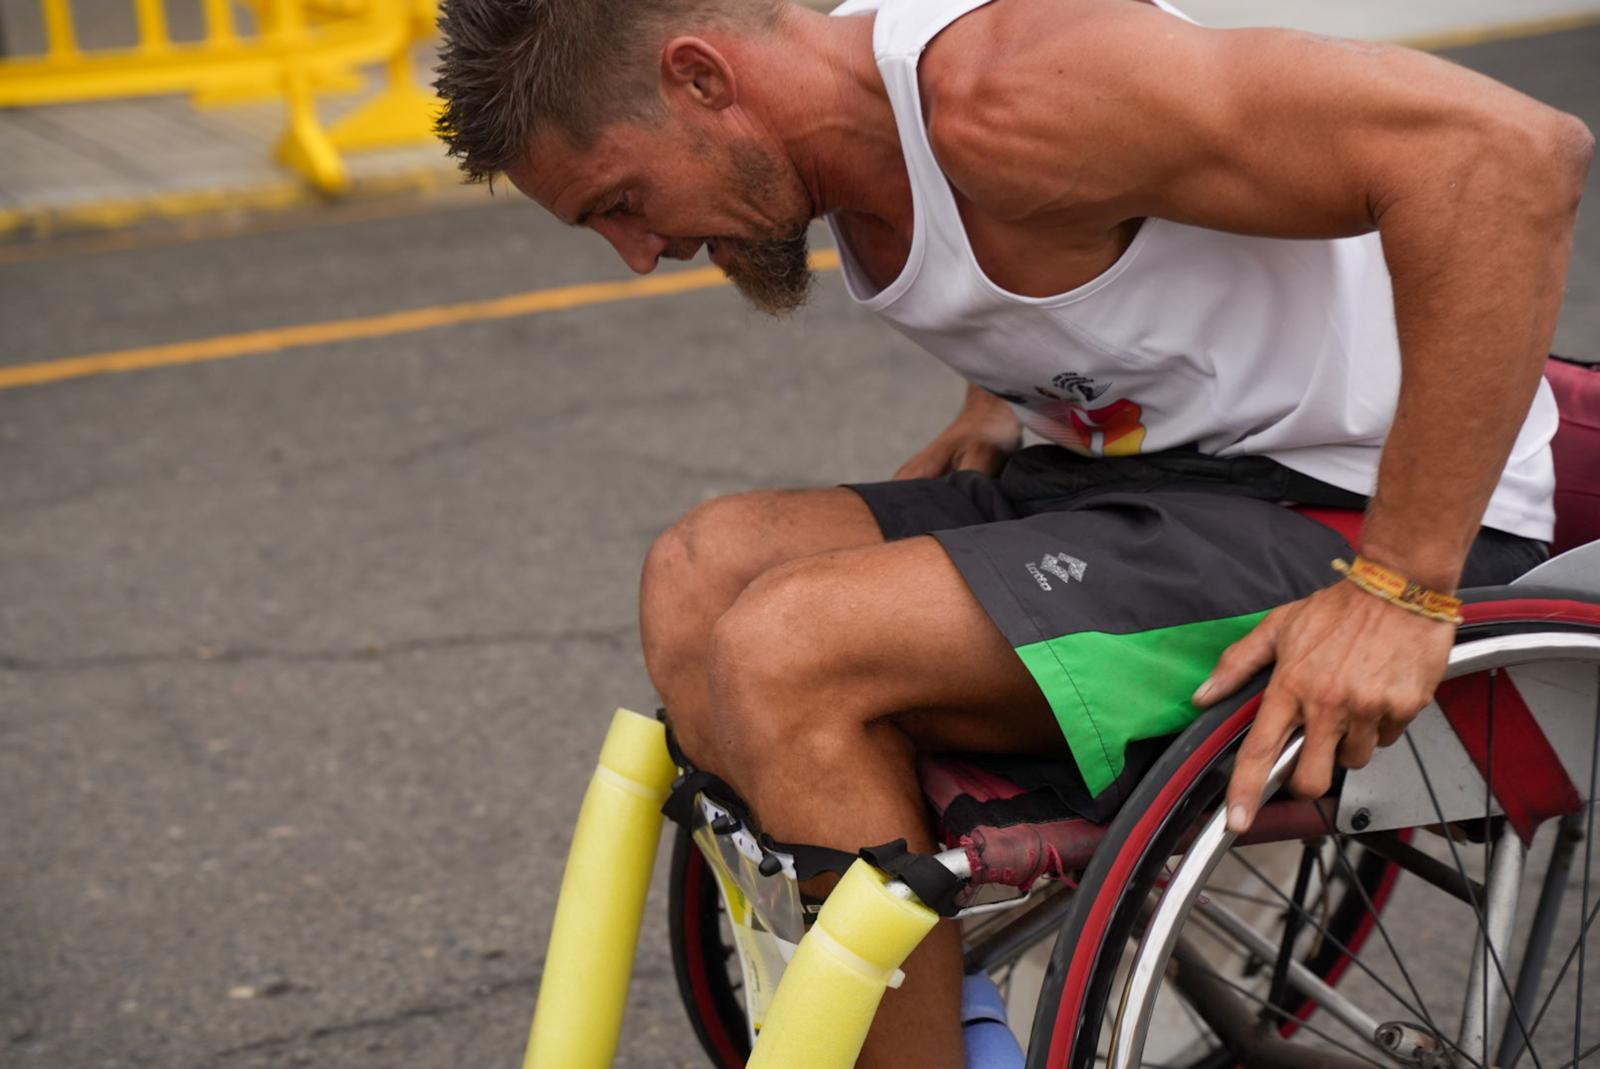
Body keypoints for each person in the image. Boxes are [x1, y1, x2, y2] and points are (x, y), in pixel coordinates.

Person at [433, 0, 1592, 1064]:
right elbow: (1073, 277)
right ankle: (902, 1015)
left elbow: (1506, 155)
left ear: (699, 78)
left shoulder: (1018, 93)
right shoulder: (852, 134)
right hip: (1148, 483)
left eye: (621, 203)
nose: (640, 254)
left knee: (792, 649)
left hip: (1353, 505)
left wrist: (1402, 584)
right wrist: (1000, 395)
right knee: (702, 570)